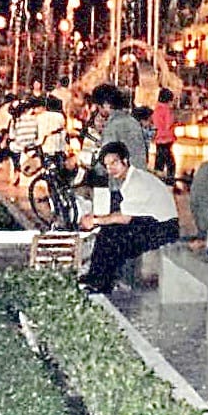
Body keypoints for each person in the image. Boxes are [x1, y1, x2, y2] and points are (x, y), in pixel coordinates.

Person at [78, 141, 179, 294]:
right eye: (107, 165)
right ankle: (96, 277)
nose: (111, 168)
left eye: (114, 163)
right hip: (153, 222)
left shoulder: (136, 181)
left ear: (125, 161)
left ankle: (101, 283)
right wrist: (98, 220)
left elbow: (125, 217)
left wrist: (95, 220)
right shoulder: (132, 179)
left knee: (114, 236)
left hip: (164, 228)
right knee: (109, 231)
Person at [92, 83, 148, 172]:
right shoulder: (133, 121)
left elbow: (107, 158)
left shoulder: (112, 126)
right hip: (138, 176)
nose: (99, 111)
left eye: (99, 107)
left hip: (120, 179)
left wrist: (94, 169)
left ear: (106, 104)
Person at [152, 87, 177, 185]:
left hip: (158, 138)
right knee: (170, 162)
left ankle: (157, 179)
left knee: (159, 160)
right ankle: (170, 179)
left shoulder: (156, 109)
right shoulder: (166, 110)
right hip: (166, 138)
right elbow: (168, 124)